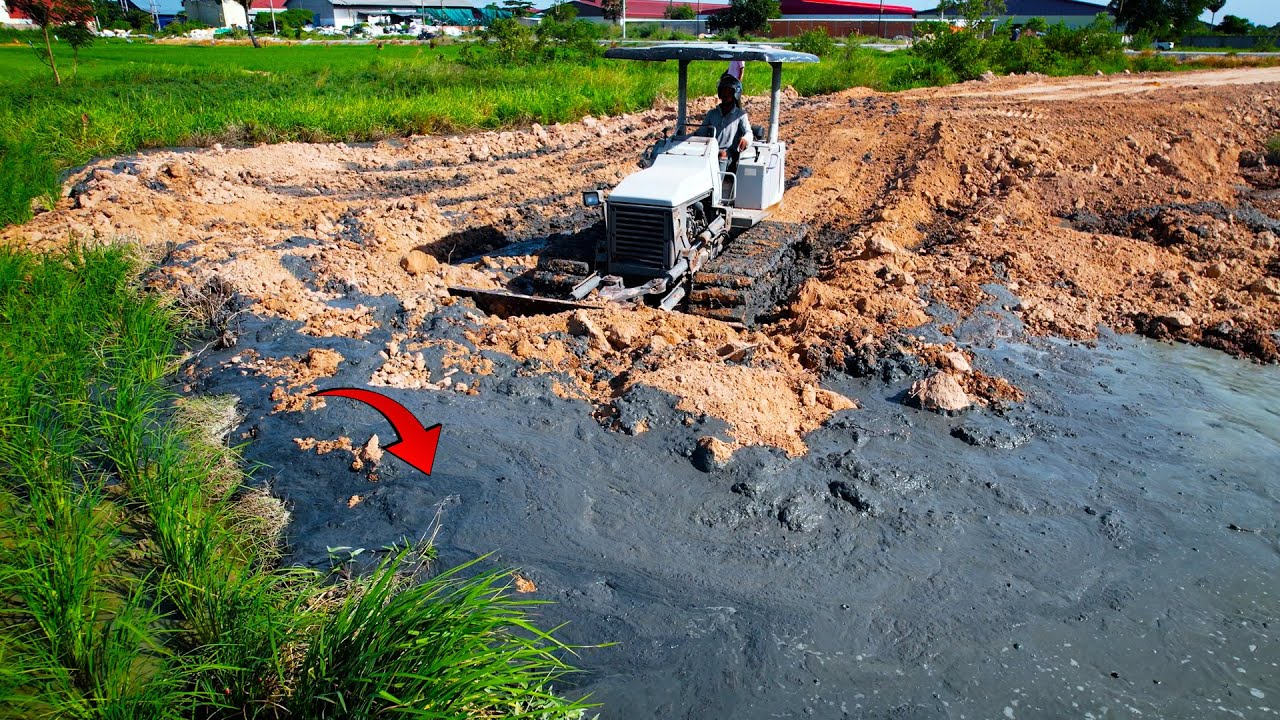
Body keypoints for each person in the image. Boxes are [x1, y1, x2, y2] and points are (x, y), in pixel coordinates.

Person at [697, 73, 751, 171]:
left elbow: (748, 132)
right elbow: (701, 132)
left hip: (728, 154)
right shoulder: (712, 114)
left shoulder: (740, 115)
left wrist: (745, 139)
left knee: (722, 154)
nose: (725, 95)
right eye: (723, 91)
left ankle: (719, 185)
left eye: (728, 92)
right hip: (709, 150)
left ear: (735, 94)